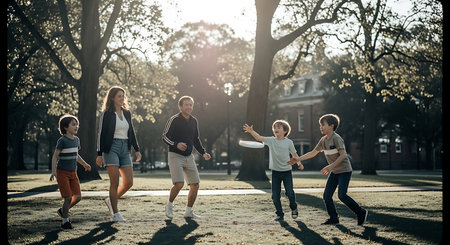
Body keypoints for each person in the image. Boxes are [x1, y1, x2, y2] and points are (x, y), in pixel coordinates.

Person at [288, 114, 368, 225]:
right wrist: (297, 159)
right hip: (335, 172)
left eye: (323, 125)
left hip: (344, 171)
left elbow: (344, 155)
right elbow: (313, 153)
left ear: (331, 126)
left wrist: (330, 166)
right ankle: (334, 218)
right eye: (320, 125)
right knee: (326, 196)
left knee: (342, 195)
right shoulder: (323, 140)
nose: (321, 127)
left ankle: (361, 212)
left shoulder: (336, 138)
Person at [243, 120, 304, 221]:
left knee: (290, 193)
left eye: (278, 127)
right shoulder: (271, 140)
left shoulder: (289, 142)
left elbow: (294, 155)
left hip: (287, 172)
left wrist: (299, 163)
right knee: (275, 195)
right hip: (275, 172)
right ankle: (280, 215)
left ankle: (294, 208)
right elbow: (259, 138)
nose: (275, 129)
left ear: (285, 131)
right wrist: (251, 131)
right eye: (274, 127)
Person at [96, 86, 141, 222]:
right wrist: (99, 154)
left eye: (123, 96)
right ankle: (116, 214)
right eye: (119, 96)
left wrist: (137, 149)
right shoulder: (107, 114)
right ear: (112, 98)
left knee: (129, 182)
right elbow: (100, 134)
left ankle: (110, 200)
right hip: (111, 148)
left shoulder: (127, 113)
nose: (122, 98)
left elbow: (131, 131)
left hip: (125, 148)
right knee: (114, 182)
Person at [162, 95, 211, 220]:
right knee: (179, 184)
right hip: (175, 156)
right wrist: (176, 144)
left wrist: (203, 153)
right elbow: (165, 136)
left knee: (195, 184)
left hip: (189, 157)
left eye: (191, 105)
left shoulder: (194, 121)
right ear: (180, 106)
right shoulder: (174, 120)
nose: (189, 107)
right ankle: (169, 205)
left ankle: (188, 211)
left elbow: (196, 139)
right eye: (186, 105)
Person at [50, 114, 91, 229]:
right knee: (68, 198)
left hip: (73, 172)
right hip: (62, 173)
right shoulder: (62, 140)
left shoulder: (76, 140)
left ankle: (63, 211)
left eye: (77, 124)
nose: (76, 126)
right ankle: (65, 222)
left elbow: (76, 155)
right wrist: (54, 171)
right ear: (65, 127)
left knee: (77, 197)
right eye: (73, 124)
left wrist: (85, 164)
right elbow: (55, 156)